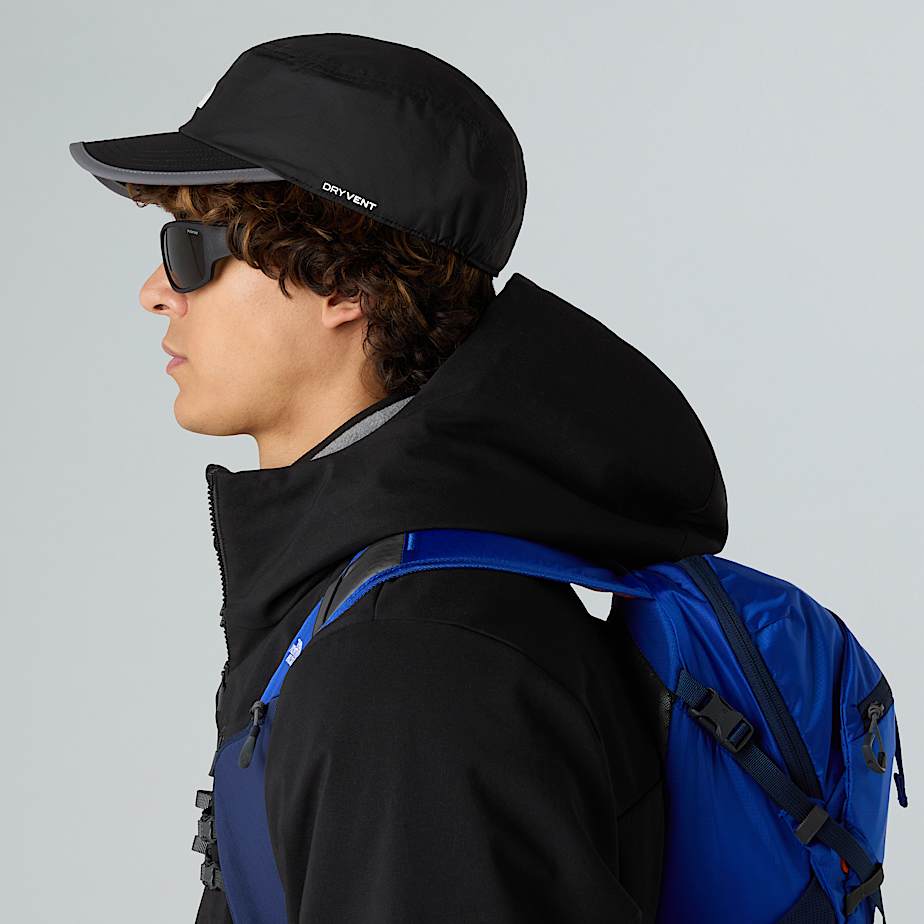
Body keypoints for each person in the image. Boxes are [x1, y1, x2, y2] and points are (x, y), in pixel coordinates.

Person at [69, 32, 727, 924]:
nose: (155, 289)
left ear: (345, 281)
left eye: (192, 246)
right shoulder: (365, 603)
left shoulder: (407, 670)